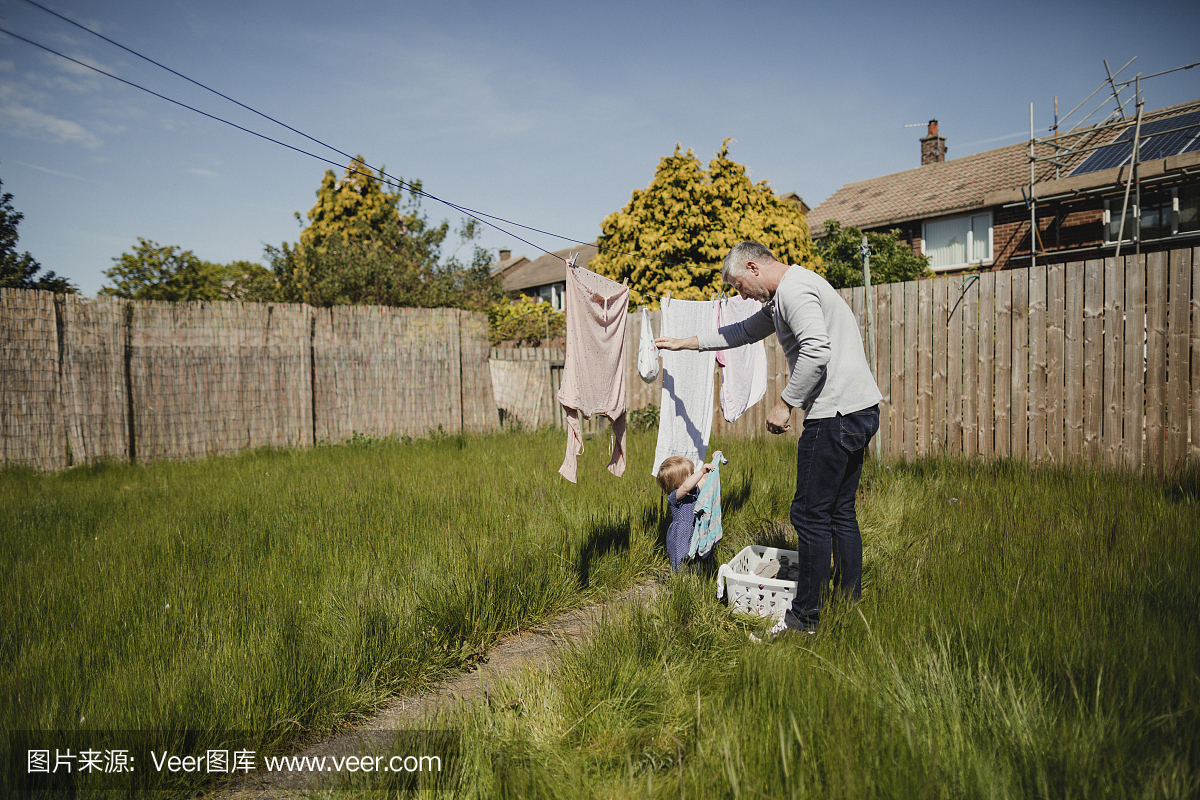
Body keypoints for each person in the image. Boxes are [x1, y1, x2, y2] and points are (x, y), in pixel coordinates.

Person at [655, 241, 881, 639]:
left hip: (833, 415)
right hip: (858, 410)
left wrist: (785, 404)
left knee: (809, 516)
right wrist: (682, 343)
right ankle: (848, 606)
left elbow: (817, 349)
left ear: (754, 268)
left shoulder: (793, 290)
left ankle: (804, 620)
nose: (740, 294)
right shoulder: (782, 300)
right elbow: (739, 333)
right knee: (839, 513)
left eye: (740, 284)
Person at [656, 455, 717, 572]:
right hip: (680, 535)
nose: (695, 476)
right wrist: (700, 471)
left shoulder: (694, 492)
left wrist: (714, 462)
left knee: (696, 559)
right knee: (680, 560)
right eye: (691, 475)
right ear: (678, 482)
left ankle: (695, 579)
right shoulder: (674, 497)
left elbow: (705, 479)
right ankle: (680, 581)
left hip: (694, 531)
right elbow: (685, 487)